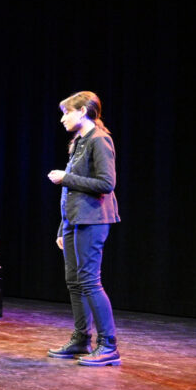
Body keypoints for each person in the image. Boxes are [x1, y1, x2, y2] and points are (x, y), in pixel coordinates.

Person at [46, 91, 121, 366]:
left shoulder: (100, 140)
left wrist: (67, 177)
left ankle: (108, 345)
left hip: (93, 220)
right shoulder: (78, 142)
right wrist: (61, 228)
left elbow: (106, 183)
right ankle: (80, 338)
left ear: (83, 111)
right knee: (74, 282)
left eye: (67, 112)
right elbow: (71, 193)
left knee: (89, 281)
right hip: (73, 221)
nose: (63, 118)